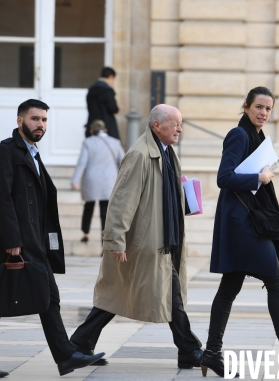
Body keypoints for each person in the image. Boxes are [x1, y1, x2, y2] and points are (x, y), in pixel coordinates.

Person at [0, 99, 104, 378]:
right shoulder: (6, 151)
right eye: (34, 119)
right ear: (20, 121)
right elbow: (2, 199)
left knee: (48, 296)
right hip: (15, 240)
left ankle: (65, 356)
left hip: (35, 240)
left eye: (43, 120)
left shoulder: (33, 153)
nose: (40, 124)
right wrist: (12, 239)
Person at [69, 104, 204, 369]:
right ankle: (189, 349)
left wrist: (184, 201)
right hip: (145, 242)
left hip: (163, 238)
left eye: (180, 123)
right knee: (165, 294)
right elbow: (121, 201)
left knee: (126, 294)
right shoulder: (140, 154)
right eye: (174, 123)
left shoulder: (166, 152)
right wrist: (115, 240)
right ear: (157, 126)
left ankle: (80, 343)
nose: (180, 128)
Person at [199, 87, 279, 377]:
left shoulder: (259, 137)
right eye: (259, 107)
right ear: (246, 106)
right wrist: (259, 175)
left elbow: (264, 192)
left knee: (230, 287)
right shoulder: (238, 135)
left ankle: (211, 353)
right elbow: (223, 178)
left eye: (268, 109)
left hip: (250, 221)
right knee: (277, 284)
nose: (263, 113)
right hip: (241, 224)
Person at [71, 120, 125, 245]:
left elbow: (82, 162)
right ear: (105, 130)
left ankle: (85, 233)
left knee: (88, 206)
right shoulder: (115, 142)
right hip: (109, 180)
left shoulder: (88, 142)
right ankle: (104, 240)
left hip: (91, 180)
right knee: (105, 211)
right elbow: (122, 162)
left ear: (91, 131)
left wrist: (75, 180)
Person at [85, 67, 120, 140]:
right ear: (110, 77)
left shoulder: (91, 89)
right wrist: (117, 107)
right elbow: (113, 108)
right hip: (107, 126)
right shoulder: (107, 90)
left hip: (93, 124)